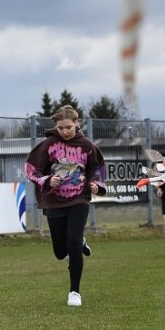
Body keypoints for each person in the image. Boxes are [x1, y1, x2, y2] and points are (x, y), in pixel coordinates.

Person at [24, 105, 107, 307]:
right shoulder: (48, 145)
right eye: (61, 128)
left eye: (68, 127)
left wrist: (96, 184)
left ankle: (74, 292)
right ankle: (79, 242)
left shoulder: (87, 146)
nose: (65, 131)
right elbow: (30, 169)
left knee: (73, 240)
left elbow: (97, 168)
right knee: (61, 252)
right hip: (54, 202)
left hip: (79, 199)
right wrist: (46, 180)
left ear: (77, 124)